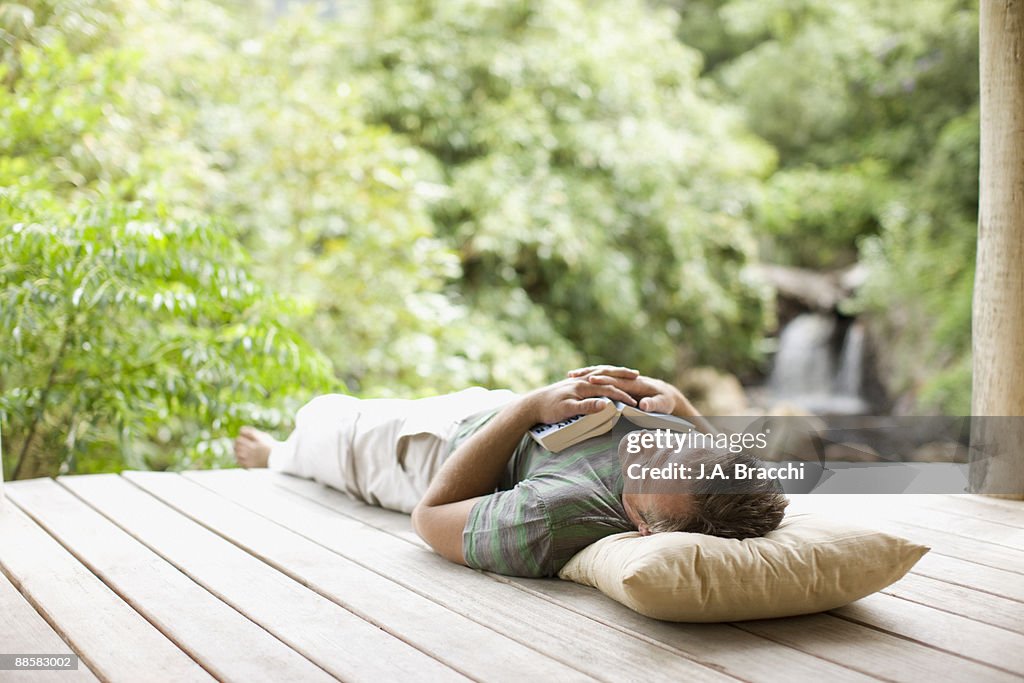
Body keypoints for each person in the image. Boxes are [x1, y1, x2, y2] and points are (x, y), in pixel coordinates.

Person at [234, 365, 788, 578]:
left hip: (423, 454)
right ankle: (283, 451)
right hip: (497, 410)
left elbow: (428, 518)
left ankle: (275, 457)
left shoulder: (553, 518)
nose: (652, 448)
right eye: (671, 448)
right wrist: (676, 402)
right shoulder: (690, 459)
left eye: (653, 473)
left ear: (644, 526)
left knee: (321, 416)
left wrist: (526, 408)